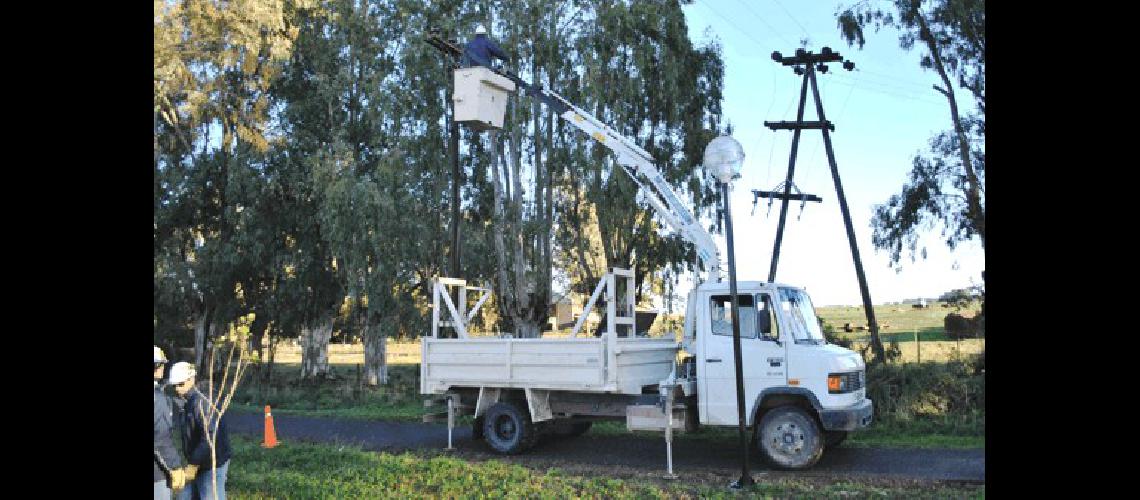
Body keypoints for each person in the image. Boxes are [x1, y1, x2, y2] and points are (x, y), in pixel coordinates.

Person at [170, 362, 232, 500]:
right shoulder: (186, 401)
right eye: (174, 385)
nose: (177, 389)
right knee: (185, 497)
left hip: (213, 463)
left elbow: (210, 437)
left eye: (181, 384)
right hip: (196, 461)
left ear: (191, 379)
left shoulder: (202, 402)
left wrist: (194, 463)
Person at [155, 347, 195, 499]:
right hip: (157, 473)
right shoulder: (157, 399)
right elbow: (160, 438)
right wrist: (175, 466)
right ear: (158, 367)